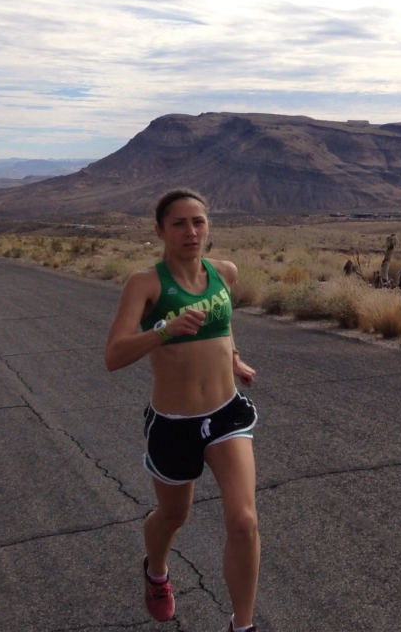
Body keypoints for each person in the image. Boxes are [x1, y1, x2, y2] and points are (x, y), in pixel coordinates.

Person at [104, 188, 260, 632]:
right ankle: (156, 573)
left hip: (226, 414)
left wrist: (234, 360)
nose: (191, 232)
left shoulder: (224, 272)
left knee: (244, 520)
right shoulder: (145, 284)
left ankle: (242, 626)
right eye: (179, 223)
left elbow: (223, 326)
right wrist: (164, 331)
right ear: (160, 231)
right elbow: (113, 355)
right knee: (174, 515)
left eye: (199, 222)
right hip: (174, 424)